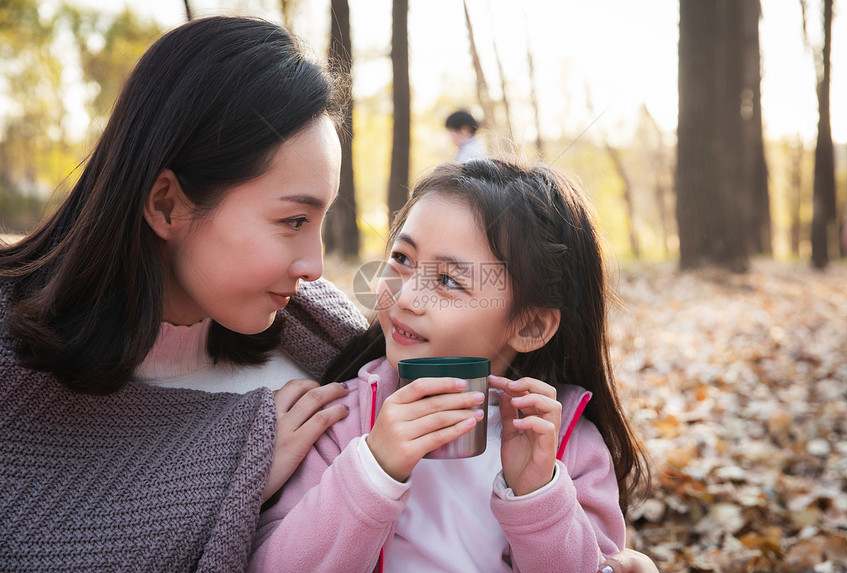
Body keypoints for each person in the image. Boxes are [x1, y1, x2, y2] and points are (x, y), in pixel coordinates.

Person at [0, 16, 367, 571]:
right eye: (293, 220)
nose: (315, 267)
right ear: (167, 204)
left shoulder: (332, 354)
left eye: (320, 221)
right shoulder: (16, 380)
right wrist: (230, 473)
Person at [250, 158, 651, 572]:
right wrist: (374, 467)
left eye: (447, 281)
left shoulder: (568, 447)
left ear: (529, 325)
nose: (406, 297)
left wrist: (537, 494)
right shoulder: (343, 422)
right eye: (403, 259)